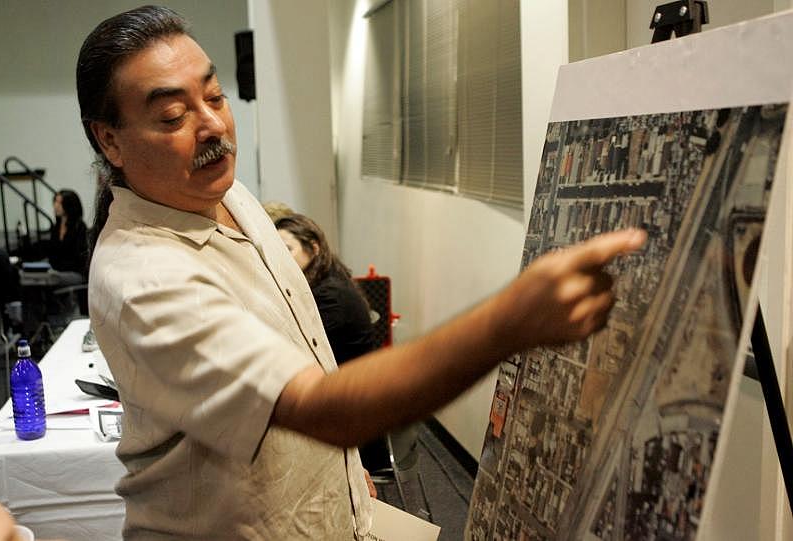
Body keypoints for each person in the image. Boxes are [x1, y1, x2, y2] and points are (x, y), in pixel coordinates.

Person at [78, 6, 645, 540]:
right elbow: (324, 408)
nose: (211, 126)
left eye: (215, 96)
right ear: (111, 140)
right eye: (173, 115)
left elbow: (300, 351)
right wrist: (509, 323)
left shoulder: (222, 191)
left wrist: (345, 479)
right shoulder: (145, 279)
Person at [275, 213, 375, 365]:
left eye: (287, 249)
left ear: (314, 248)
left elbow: (302, 349)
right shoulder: (326, 279)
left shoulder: (330, 295)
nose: (280, 257)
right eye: (276, 250)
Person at [48, 190, 88, 278]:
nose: (56, 206)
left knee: (51, 277)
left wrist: (58, 268)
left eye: (60, 203)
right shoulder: (56, 227)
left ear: (69, 205)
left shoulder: (80, 227)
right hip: (57, 271)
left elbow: (79, 259)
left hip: (75, 273)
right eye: (55, 201)